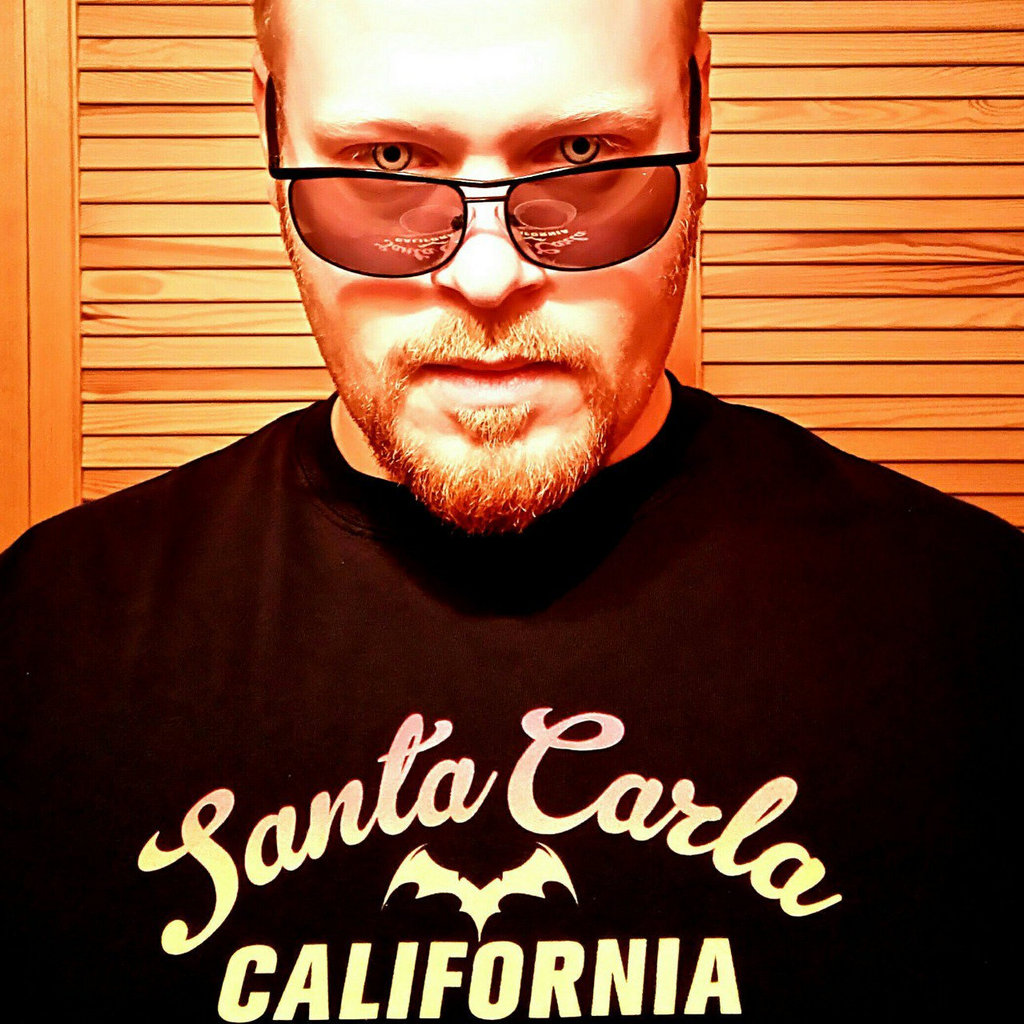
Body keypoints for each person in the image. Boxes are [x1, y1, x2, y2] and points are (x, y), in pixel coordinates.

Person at [1, 1, 1019, 1019]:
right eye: (388, 162)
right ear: (269, 128)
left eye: (582, 155)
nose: (487, 277)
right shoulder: (47, 633)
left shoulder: (976, 630)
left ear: (700, 112)